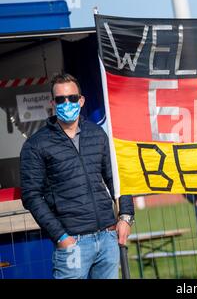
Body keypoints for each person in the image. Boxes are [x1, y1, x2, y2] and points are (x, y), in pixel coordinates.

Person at [20, 73, 135, 279]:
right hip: (73, 243)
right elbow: (31, 196)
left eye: (72, 98)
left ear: (81, 101)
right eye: (60, 100)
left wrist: (126, 217)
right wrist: (61, 237)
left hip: (108, 237)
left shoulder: (97, 134)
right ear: (52, 103)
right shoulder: (36, 145)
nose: (67, 103)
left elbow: (117, 178)